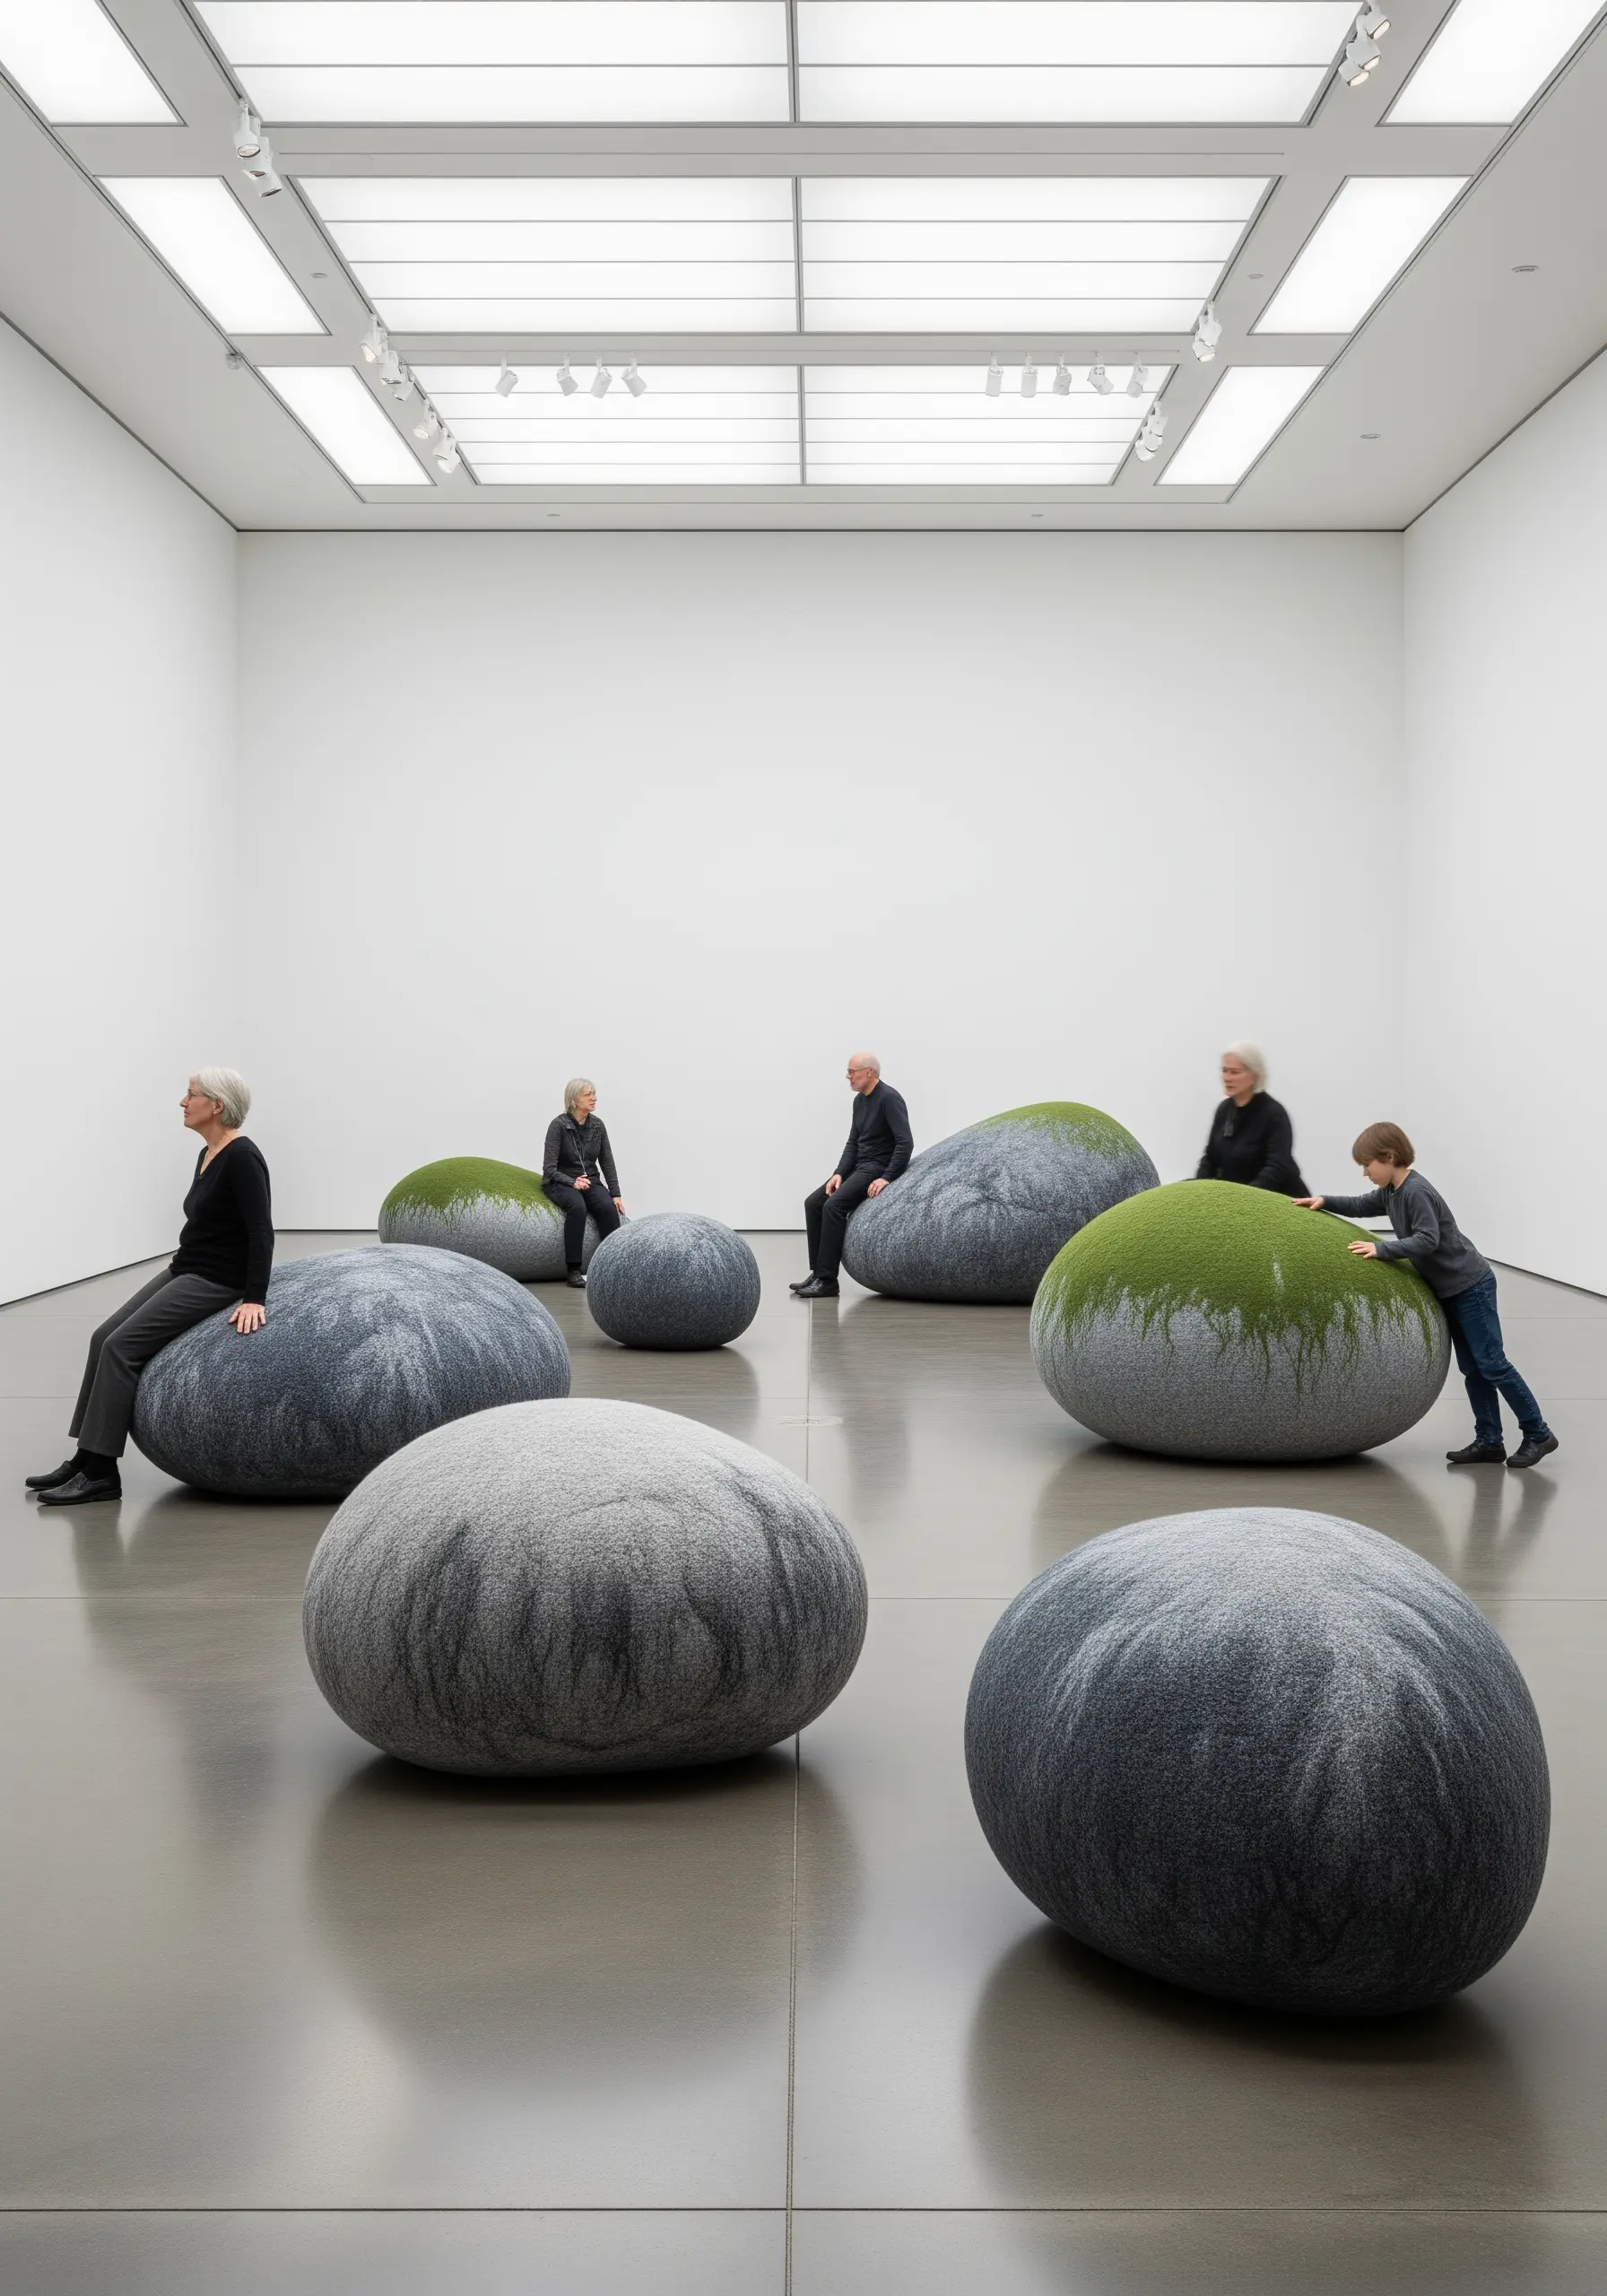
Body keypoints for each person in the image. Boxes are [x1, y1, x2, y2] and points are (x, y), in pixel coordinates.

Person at [28, 1069, 273, 1509]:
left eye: (191, 1095)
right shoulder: (207, 1153)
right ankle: (84, 1457)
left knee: (122, 1348)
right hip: (187, 1267)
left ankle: (102, 1473)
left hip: (217, 1279)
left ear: (216, 1105)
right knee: (102, 1336)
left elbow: (261, 1230)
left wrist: (255, 1296)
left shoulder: (242, 1157)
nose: (182, 1101)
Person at [1297, 1122, 1558, 1471]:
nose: (1365, 1173)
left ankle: (1538, 1433)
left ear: (1389, 1157)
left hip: (1471, 1286)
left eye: (1367, 1165)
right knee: (1473, 1369)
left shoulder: (1416, 1191)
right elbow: (1361, 1204)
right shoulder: (1391, 1190)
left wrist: (1382, 1248)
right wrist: (1325, 1201)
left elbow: (1427, 1239)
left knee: (1492, 1364)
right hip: (1451, 1291)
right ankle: (1490, 1441)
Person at [794, 1053, 913, 1300]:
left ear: (869, 1072)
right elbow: (853, 1143)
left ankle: (827, 1281)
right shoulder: (859, 1101)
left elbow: (905, 1142)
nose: (848, 1076)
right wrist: (838, 1173)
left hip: (876, 1167)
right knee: (814, 1203)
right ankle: (817, 1273)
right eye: (848, 1072)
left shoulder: (890, 1099)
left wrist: (887, 1177)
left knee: (833, 1207)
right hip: (859, 1166)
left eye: (852, 1071)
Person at [542, 1078, 624, 1288]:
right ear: (574, 1100)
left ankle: (612, 1266)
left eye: (594, 1093)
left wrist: (615, 1194)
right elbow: (549, 1169)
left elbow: (607, 1161)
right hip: (560, 1181)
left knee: (607, 1207)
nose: (594, 1098)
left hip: (590, 1181)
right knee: (577, 1207)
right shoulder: (558, 1126)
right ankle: (574, 1270)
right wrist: (572, 1181)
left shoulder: (597, 1125)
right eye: (588, 1094)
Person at [1196, 1041, 1307, 1196]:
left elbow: (1277, 1167)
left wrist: (1247, 1197)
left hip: (1278, 1199)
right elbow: (1210, 1159)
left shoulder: (1274, 1114)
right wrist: (1199, 1191)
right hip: (1236, 1198)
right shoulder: (1223, 1111)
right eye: (1224, 1071)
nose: (1227, 1078)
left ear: (1254, 1076)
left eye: (1234, 1072)